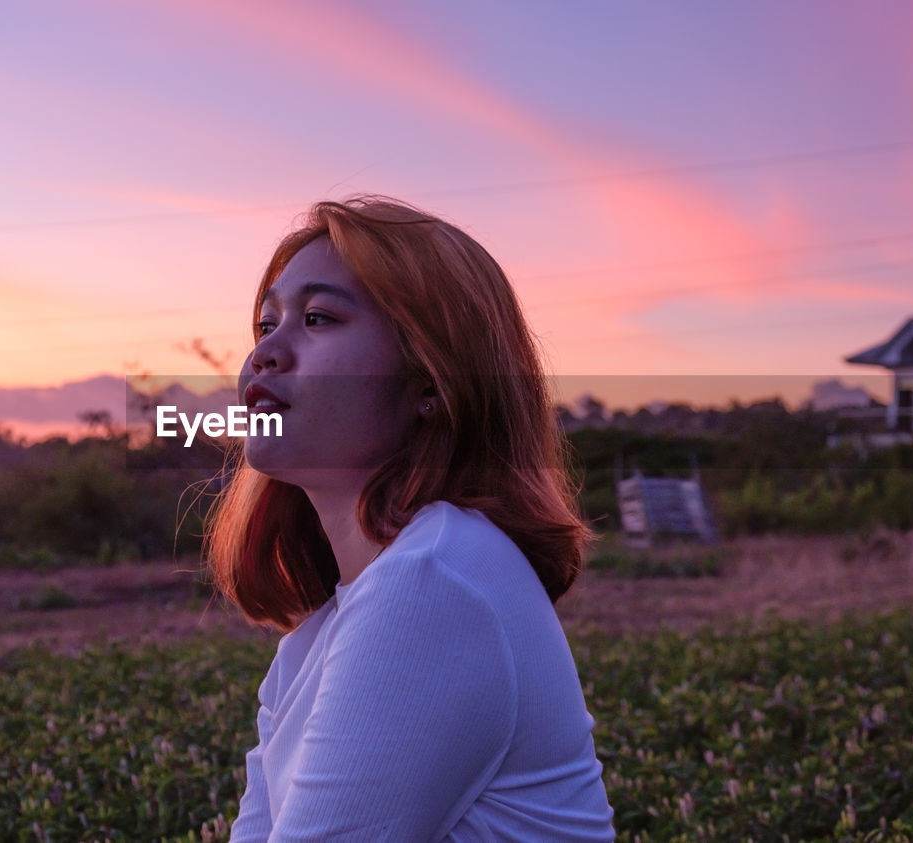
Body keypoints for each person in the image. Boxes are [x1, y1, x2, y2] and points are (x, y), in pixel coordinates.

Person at [206, 196, 615, 841]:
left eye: (316, 318)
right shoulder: (311, 644)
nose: (265, 355)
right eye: (265, 326)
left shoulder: (436, 576)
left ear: (430, 378)